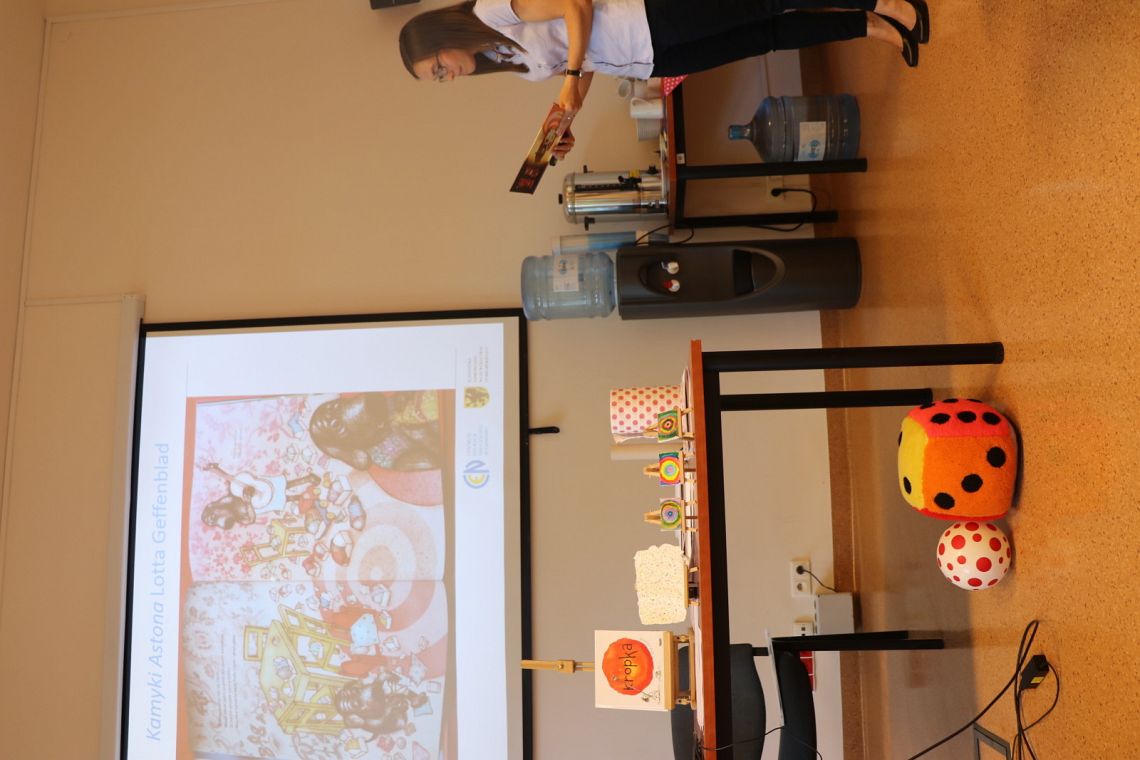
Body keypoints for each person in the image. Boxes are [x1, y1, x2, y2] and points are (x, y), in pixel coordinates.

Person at [400, 0, 929, 153]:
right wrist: (567, 119)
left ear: (439, 37)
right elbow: (581, 68)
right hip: (650, 60)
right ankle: (868, 27)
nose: (448, 76)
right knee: (764, 37)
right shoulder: (506, 61)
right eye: (439, 80)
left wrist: (572, 74)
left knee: (764, 2)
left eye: (438, 67)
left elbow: (576, 6)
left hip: (650, 17)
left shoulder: (493, 12)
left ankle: (883, 2)